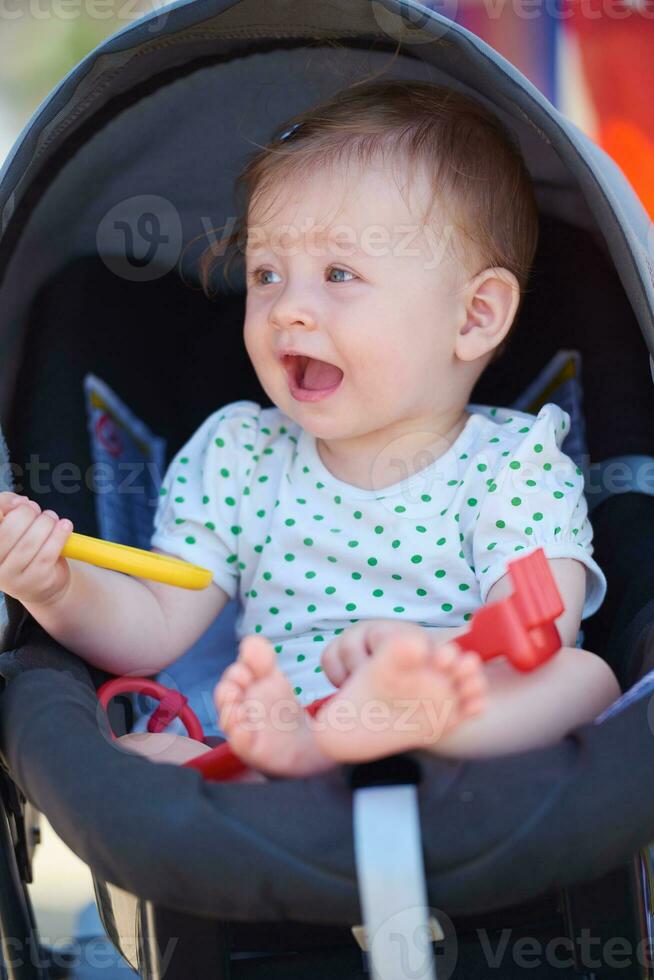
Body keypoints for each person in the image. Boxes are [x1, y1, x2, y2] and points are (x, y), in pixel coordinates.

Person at [0, 80, 620, 779]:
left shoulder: (516, 463)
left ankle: (411, 721)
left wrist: (427, 665)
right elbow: (153, 629)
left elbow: (540, 621)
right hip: (276, 732)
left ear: (473, 317)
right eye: (266, 272)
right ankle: (304, 754)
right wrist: (55, 587)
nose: (288, 308)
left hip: (462, 725)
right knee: (139, 757)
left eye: (338, 272)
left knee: (584, 676)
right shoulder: (241, 457)